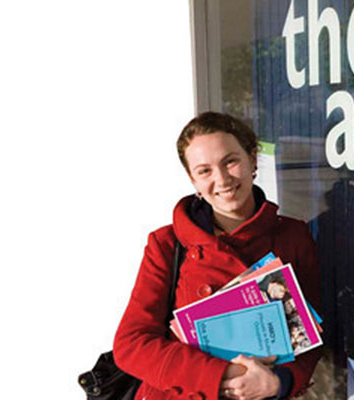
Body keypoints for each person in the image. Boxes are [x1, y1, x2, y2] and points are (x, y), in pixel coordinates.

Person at [114, 112, 322, 400]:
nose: (222, 179)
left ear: (252, 159)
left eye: (230, 161)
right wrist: (224, 375)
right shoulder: (167, 244)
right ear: (193, 179)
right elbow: (132, 345)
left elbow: (313, 334)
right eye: (204, 171)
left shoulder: (293, 237)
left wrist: (278, 384)